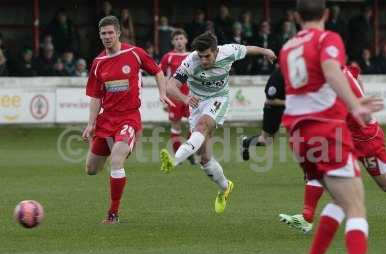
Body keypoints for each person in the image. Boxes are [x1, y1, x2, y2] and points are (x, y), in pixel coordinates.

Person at [279, 0, 382, 254]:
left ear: (296, 16)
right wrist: (355, 106)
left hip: (298, 136)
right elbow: (332, 72)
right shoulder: (327, 38)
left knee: (339, 199)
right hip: (326, 131)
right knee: (357, 204)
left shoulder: (287, 48)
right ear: (325, 14)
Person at [160, 32, 276, 213]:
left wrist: (266, 51)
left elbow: (249, 49)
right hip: (196, 103)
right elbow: (170, 86)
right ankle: (225, 187)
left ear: (216, 51)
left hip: (218, 99)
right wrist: (184, 98)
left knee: (202, 126)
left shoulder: (228, 51)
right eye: (201, 56)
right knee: (204, 159)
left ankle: (174, 161)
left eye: (207, 56)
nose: (204, 60)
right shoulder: (191, 61)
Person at [279, 65, 386, 232]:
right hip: (345, 135)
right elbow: (356, 75)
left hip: (366, 137)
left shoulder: (331, 76)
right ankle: (306, 217)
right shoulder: (334, 67)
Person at [83, 15, 172, 224]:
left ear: (118, 33)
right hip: (106, 120)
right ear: (99, 35)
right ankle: (114, 160)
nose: (107, 37)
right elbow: (96, 96)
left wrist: (162, 93)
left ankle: (113, 214)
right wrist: (90, 124)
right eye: (103, 33)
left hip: (129, 118)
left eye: (110, 33)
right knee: (91, 169)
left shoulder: (135, 53)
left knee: (116, 160)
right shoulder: (98, 63)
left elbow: (158, 72)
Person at [159, 29, 195, 165]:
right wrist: (163, 96)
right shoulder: (168, 56)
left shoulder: (193, 56)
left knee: (194, 126)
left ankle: (188, 152)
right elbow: (160, 76)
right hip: (174, 97)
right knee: (176, 127)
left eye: (181, 38)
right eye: (176, 39)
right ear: (172, 42)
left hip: (191, 96)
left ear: (186, 40)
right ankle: (178, 157)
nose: (179, 41)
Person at [241, 67, 285, 161]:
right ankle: (246, 142)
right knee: (266, 141)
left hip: (283, 109)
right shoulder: (277, 76)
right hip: (273, 110)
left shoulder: (290, 71)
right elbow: (270, 100)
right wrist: (290, 102)